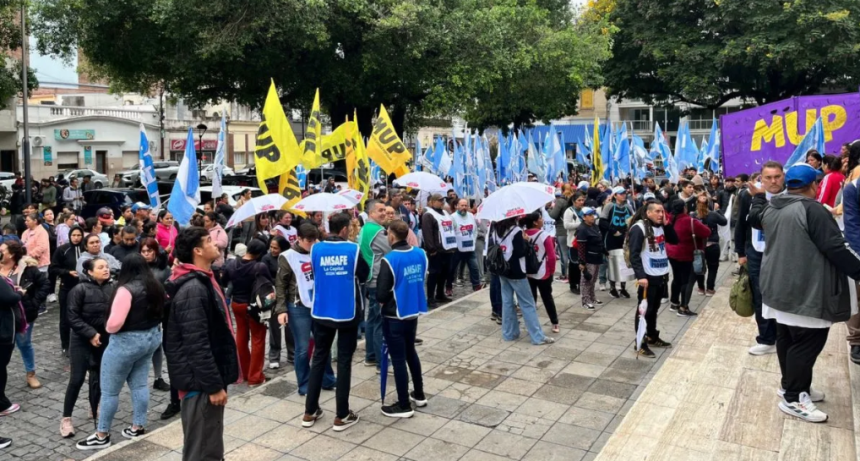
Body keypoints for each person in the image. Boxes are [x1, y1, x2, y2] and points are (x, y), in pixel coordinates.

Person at [748, 163, 860, 423]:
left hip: (778, 288)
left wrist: (756, 196)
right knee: (807, 343)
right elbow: (837, 248)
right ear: (815, 186)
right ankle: (793, 398)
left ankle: (794, 385)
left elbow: (755, 216)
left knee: (787, 338)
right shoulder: (813, 210)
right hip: (804, 291)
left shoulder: (773, 207)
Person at [76, 254, 164, 450]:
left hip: (126, 342)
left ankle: (102, 434)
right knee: (140, 384)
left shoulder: (125, 290)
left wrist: (106, 325)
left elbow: (114, 325)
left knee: (109, 391)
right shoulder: (155, 284)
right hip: (151, 338)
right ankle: (138, 426)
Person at [164, 227, 238, 461]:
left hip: (207, 379)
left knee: (211, 445)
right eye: (208, 241)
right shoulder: (193, 289)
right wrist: (213, 386)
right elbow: (196, 343)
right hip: (201, 384)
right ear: (197, 251)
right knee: (203, 450)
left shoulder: (204, 279)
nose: (215, 243)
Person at [295, 213, 366, 431]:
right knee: (344, 362)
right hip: (347, 311)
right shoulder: (353, 249)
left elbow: (315, 273)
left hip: (321, 310)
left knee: (318, 358)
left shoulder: (315, 249)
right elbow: (364, 274)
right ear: (344, 229)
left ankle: (310, 411)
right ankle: (341, 415)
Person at [275, 224, 336, 394]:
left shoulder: (318, 251)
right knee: (302, 348)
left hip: (319, 304)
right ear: (299, 239)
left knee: (323, 344)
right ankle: (305, 384)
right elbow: (281, 285)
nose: (313, 243)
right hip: (298, 307)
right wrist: (281, 310)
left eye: (315, 239)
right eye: (309, 241)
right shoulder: (288, 256)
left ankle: (327, 379)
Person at [376, 220, 427, 417]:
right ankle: (419, 394)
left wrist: (384, 300)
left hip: (394, 314)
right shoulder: (419, 253)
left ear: (391, 235)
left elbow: (381, 294)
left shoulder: (390, 259)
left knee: (398, 359)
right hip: (412, 310)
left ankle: (404, 404)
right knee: (410, 352)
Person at [736, 162, 785, 355]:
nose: (773, 181)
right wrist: (740, 252)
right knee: (759, 295)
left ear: (783, 176)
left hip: (782, 254)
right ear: (761, 178)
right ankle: (766, 338)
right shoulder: (749, 197)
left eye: (777, 176)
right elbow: (741, 224)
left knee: (782, 295)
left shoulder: (791, 196)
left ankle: (783, 336)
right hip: (756, 253)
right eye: (768, 177)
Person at [61, 257, 112, 438]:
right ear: (90, 272)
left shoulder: (111, 288)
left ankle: (94, 406)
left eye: (106, 266)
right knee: (77, 379)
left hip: (102, 338)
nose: (106, 269)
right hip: (81, 338)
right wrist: (90, 333)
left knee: (97, 375)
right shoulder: (79, 289)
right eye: (100, 267)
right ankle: (66, 418)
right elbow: (72, 317)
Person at [490, 216, 553, 345]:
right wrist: (526, 241)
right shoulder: (516, 231)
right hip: (517, 272)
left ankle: (509, 333)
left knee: (507, 302)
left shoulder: (496, 229)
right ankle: (537, 337)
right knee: (527, 303)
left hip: (503, 270)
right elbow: (520, 252)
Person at [628, 200, 679, 358]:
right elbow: (634, 254)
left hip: (661, 273)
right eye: (657, 211)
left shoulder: (661, 226)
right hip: (648, 277)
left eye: (662, 211)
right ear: (648, 213)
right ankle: (640, 342)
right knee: (643, 310)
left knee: (654, 309)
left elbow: (674, 240)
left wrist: (667, 224)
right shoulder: (639, 228)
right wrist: (640, 276)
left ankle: (651, 336)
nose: (660, 214)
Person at [0, 241, 48, 389]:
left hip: (22, 313)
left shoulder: (27, 269)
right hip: (2, 315)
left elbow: (45, 284)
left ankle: (30, 374)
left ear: (11, 254)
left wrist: (34, 302)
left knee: (24, 343)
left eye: (2, 250)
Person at [221, 239, 269, 386]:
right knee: (258, 339)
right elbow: (268, 283)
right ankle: (255, 376)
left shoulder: (232, 264)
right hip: (254, 305)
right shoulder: (259, 266)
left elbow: (224, 282)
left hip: (237, 304)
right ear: (259, 253)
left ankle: (245, 371)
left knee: (241, 337)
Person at [357, 200, 392, 370]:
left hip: (371, 277)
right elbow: (392, 249)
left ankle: (370, 356)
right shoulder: (377, 231)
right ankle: (381, 361)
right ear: (371, 213)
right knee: (379, 321)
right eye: (380, 210)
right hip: (378, 278)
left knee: (372, 319)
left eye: (385, 210)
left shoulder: (365, 228)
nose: (384, 213)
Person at [139, 238, 173, 397]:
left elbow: (169, 287)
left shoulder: (164, 269)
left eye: (149, 251)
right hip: (139, 310)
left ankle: (158, 377)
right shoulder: (138, 268)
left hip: (157, 310)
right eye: (143, 251)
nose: (146, 254)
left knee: (157, 344)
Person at [666, 199, 710, 317]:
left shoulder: (669, 218)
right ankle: (683, 307)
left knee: (676, 278)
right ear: (684, 208)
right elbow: (707, 232)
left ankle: (674, 302)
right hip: (686, 255)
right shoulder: (690, 221)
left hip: (671, 253)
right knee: (687, 281)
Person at [522, 212, 560, 333]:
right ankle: (554, 322)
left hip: (528, 271)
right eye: (540, 218)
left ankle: (531, 324)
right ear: (535, 222)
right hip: (543, 271)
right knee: (547, 298)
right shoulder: (544, 235)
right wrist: (552, 270)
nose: (543, 220)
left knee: (530, 300)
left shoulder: (522, 234)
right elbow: (552, 256)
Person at [51, 225, 84, 355]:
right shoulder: (62, 250)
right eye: (73, 235)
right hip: (67, 286)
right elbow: (53, 268)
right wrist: (67, 272)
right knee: (65, 317)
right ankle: (65, 344)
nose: (76, 238)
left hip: (83, 287)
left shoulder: (85, 249)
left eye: (79, 235)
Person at [263, 236, 294, 368]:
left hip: (288, 295)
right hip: (273, 295)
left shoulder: (288, 257)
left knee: (290, 327)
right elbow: (264, 276)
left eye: (276, 248)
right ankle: (274, 355)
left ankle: (292, 354)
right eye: (271, 247)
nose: (273, 250)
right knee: (274, 327)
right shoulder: (266, 259)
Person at [421, 194, 457, 304]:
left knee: (445, 273)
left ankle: (440, 294)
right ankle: (430, 297)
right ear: (432, 202)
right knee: (434, 274)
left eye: (443, 200)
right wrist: (432, 249)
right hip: (436, 251)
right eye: (439, 200)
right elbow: (427, 233)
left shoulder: (446, 213)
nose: (442, 202)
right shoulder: (428, 215)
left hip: (448, 249)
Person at [689, 190, 726, 296]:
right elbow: (724, 222)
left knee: (699, 267)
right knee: (713, 267)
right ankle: (710, 289)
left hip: (698, 245)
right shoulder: (713, 214)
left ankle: (701, 288)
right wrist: (718, 210)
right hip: (712, 244)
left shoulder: (692, 216)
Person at [599, 187, 634, 298]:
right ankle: (613, 287)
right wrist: (613, 231)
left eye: (624, 193)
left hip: (624, 238)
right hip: (611, 238)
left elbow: (632, 220)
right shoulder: (609, 206)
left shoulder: (628, 206)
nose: (623, 195)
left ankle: (622, 287)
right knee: (612, 263)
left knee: (625, 262)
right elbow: (602, 222)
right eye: (621, 194)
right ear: (615, 195)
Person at [450, 199, 481, 292]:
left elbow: (475, 230)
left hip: (470, 247)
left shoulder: (471, 216)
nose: (464, 207)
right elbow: (451, 232)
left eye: (465, 205)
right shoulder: (453, 217)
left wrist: (473, 240)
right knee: (452, 268)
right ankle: (448, 286)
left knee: (474, 267)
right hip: (457, 248)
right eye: (462, 205)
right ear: (457, 206)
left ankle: (476, 285)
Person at [576, 207, 604, 310]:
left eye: (593, 214)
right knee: (587, 279)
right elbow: (581, 247)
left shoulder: (595, 226)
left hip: (597, 256)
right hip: (588, 258)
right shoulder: (582, 229)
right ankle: (585, 301)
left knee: (593, 279)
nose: (593, 217)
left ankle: (592, 297)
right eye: (590, 215)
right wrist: (582, 262)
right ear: (584, 217)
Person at [563, 193, 586, 294]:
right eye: (579, 200)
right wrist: (581, 224)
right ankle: (573, 284)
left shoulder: (584, 210)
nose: (581, 202)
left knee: (582, 263)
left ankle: (581, 283)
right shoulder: (569, 211)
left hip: (584, 241)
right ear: (574, 201)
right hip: (573, 241)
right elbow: (566, 225)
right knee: (574, 263)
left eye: (582, 200)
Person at [549, 186, 571, 282]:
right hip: (572, 230)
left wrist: (549, 209)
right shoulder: (572, 200)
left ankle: (564, 274)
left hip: (562, 229)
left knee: (564, 253)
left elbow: (553, 215)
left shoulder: (560, 201)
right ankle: (572, 274)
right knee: (571, 254)